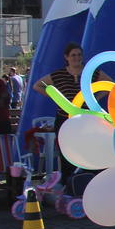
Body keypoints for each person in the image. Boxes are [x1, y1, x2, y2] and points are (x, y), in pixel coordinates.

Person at [33, 43, 89, 175]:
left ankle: (84, 178)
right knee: (66, 151)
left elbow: (110, 83)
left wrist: (96, 97)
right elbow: (37, 85)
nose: (76, 57)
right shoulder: (59, 74)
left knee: (85, 149)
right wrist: (56, 97)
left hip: (85, 118)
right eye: (73, 55)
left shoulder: (90, 72)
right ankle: (67, 182)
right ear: (66, 57)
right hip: (64, 118)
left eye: (79, 54)